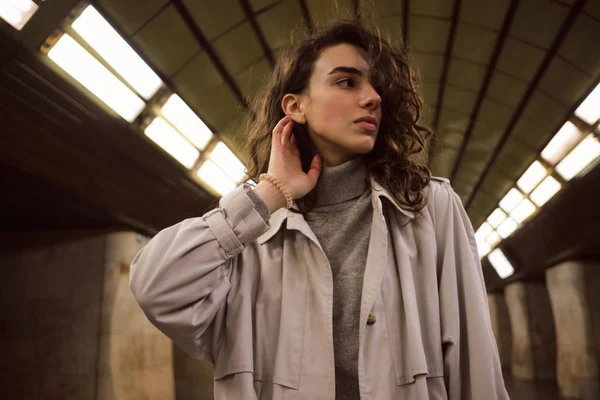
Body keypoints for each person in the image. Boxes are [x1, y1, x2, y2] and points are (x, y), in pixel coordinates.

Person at [130, 20, 509, 400]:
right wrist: (267, 195)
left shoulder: (428, 208)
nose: (373, 97)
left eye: (376, 86)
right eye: (347, 82)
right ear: (296, 106)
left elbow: (474, 360)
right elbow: (156, 288)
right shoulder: (251, 233)